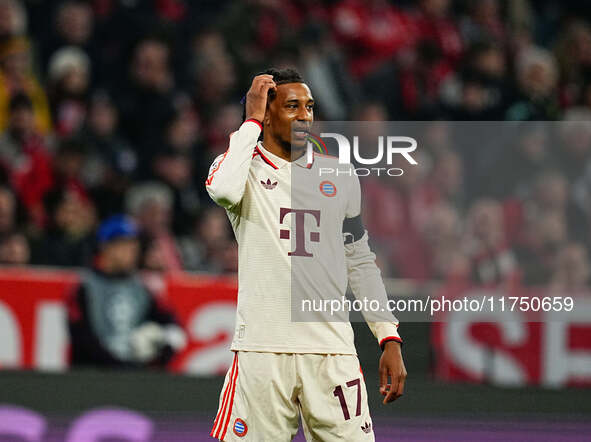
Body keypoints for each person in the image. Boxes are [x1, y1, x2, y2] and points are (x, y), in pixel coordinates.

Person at [205, 69, 406, 441]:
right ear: (266, 113)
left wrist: (387, 335)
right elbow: (221, 191)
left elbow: (359, 259)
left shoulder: (341, 175)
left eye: (310, 107)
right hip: (262, 352)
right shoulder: (241, 170)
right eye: (292, 106)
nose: (305, 117)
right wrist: (249, 121)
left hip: (332, 353)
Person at [67, 214, 186, 367]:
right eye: (125, 245)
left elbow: (172, 326)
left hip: (133, 378)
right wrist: (119, 366)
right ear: (106, 246)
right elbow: (81, 337)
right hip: (93, 376)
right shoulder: (84, 287)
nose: (133, 252)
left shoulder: (143, 288)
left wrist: (161, 350)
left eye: (134, 245)